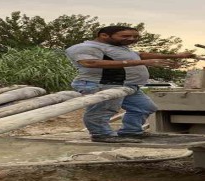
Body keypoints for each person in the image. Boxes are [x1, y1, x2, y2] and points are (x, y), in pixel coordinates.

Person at [65, 26, 195, 143]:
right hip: (102, 84)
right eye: (125, 36)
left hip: (126, 85)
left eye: (135, 36)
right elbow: (90, 63)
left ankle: (131, 132)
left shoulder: (118, 48)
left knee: (144, 107)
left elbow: (140, 55)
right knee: (102, 110)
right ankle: (101, 134)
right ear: (104, 35)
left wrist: (175, 56)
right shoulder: (85, 47)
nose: (132, 39)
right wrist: (143, 63)